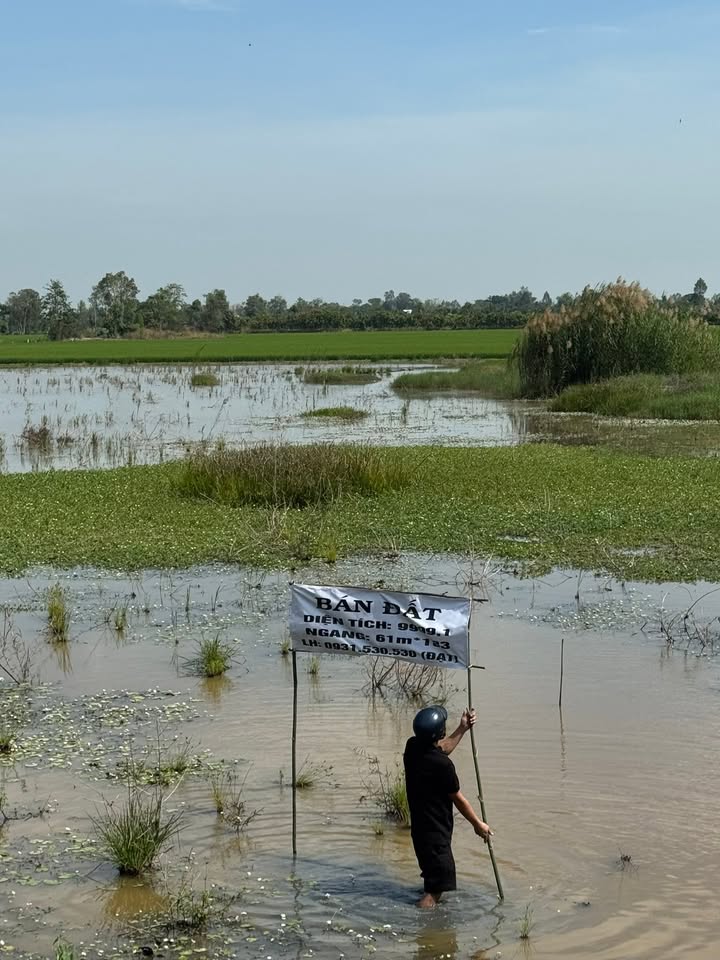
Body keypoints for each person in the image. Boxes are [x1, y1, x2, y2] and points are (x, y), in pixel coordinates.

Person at [403, 705, 492, 908]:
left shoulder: (412, 748)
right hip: (435, 835)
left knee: (433, 881)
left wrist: (462, 728)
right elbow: (459, 799)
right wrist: (478, 825)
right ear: (439, 733)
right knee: (436, 890)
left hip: (421, 832)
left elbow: (441, 748)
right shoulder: (443, 766)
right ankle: (422, 927)